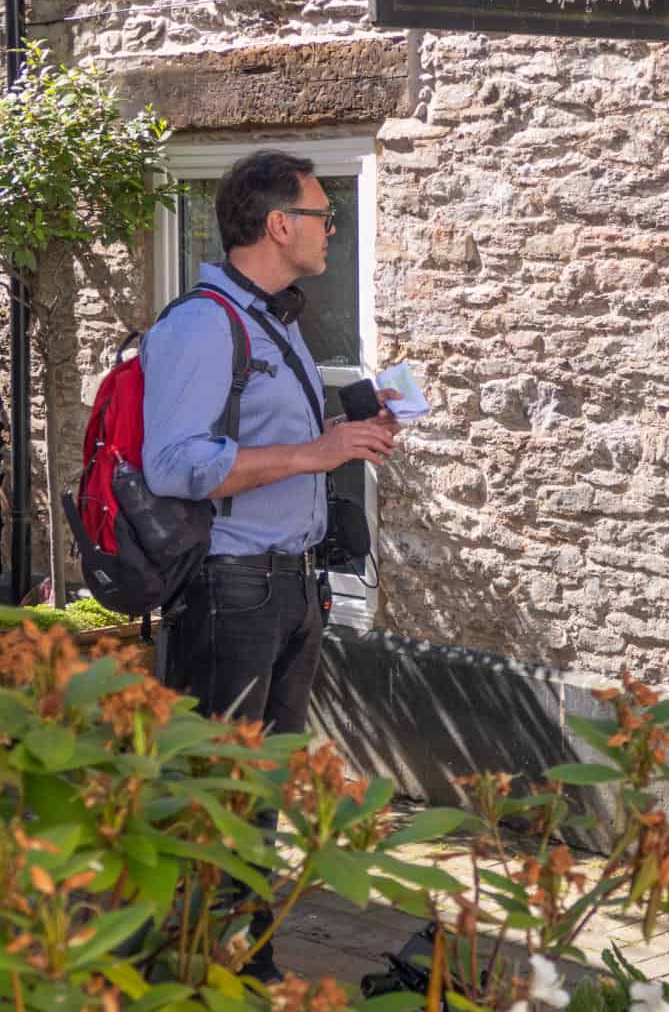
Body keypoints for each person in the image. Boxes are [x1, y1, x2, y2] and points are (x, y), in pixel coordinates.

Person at [141, 149, 401, 980]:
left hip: (288, 584)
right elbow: (175, 463)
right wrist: (316, 452)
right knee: (218, 789)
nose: (333, 229)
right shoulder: (199, 324)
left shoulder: (274, 322)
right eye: (324, 214)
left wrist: (346, 428)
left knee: (260, 791)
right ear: (279, 224)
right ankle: (196, 968)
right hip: (230, 589)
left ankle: (238, 959)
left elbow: (267, 436)